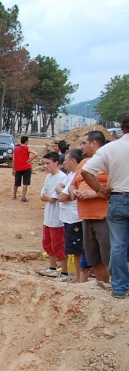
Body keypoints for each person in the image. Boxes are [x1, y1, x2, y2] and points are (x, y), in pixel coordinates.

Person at [81, 112, 129, 298]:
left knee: (118, 245)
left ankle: (119, 287)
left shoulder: (111, 148)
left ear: (122, 127)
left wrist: (101, 191)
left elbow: (86, 172)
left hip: (117, 197)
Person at [74, 130, 110, 286]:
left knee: (109, 257)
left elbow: (118, 189)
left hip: (104, 217)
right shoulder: (83, 163)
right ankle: (103, 287)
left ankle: (116, 287)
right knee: (94, 258)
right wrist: (73, 191)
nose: (82, 147)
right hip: (85, 216)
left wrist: (94, 194)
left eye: (84, 143)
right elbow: (73, 184)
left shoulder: (109, 162)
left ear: (94, 143)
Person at [36, 153, 69, 278]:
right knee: (47, 242)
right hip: (48, 216)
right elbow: (43, 195)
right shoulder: (48, 177)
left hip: (57, 218)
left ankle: (64, 272)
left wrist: (48, 197)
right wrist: (48, 197)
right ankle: (52, 267)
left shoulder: (62, 177)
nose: (45, 166)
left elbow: (52, 198)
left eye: (48, 163)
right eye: (44, 163)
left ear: (56, 163)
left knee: (58, 244)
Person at [56, 148, 85, 283]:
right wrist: (65, 193)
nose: (64, 163)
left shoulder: (75, 175)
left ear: (73, 160)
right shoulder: (70, 174)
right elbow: (59, 189)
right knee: (73, 249)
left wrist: (64, 194)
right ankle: (77, 275)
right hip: (68, 217)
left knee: (77, 249)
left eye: (66, 160)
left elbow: (61, 196)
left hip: (74, 217)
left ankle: (79, 277)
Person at [12, 136, 38, 202]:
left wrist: (13, 169)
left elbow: (14, 160)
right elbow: (36, 154)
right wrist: (30, 160)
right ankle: (23, 197)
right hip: (26, 167)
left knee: (16, 182)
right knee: (25, 183)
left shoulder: (16, 149)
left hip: (18, 168)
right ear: (26, 141)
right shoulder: (27, 148)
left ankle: (14, 196)